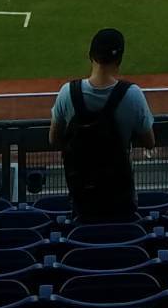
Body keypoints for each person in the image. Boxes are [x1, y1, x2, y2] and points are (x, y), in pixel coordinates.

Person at [52, 27, 156, 220]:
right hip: (120, 195)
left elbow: (54, 139)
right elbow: (149, 142)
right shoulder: (132, 94)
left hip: (82, 195)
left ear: (90, 55)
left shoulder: (67, 93)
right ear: (119, 60)